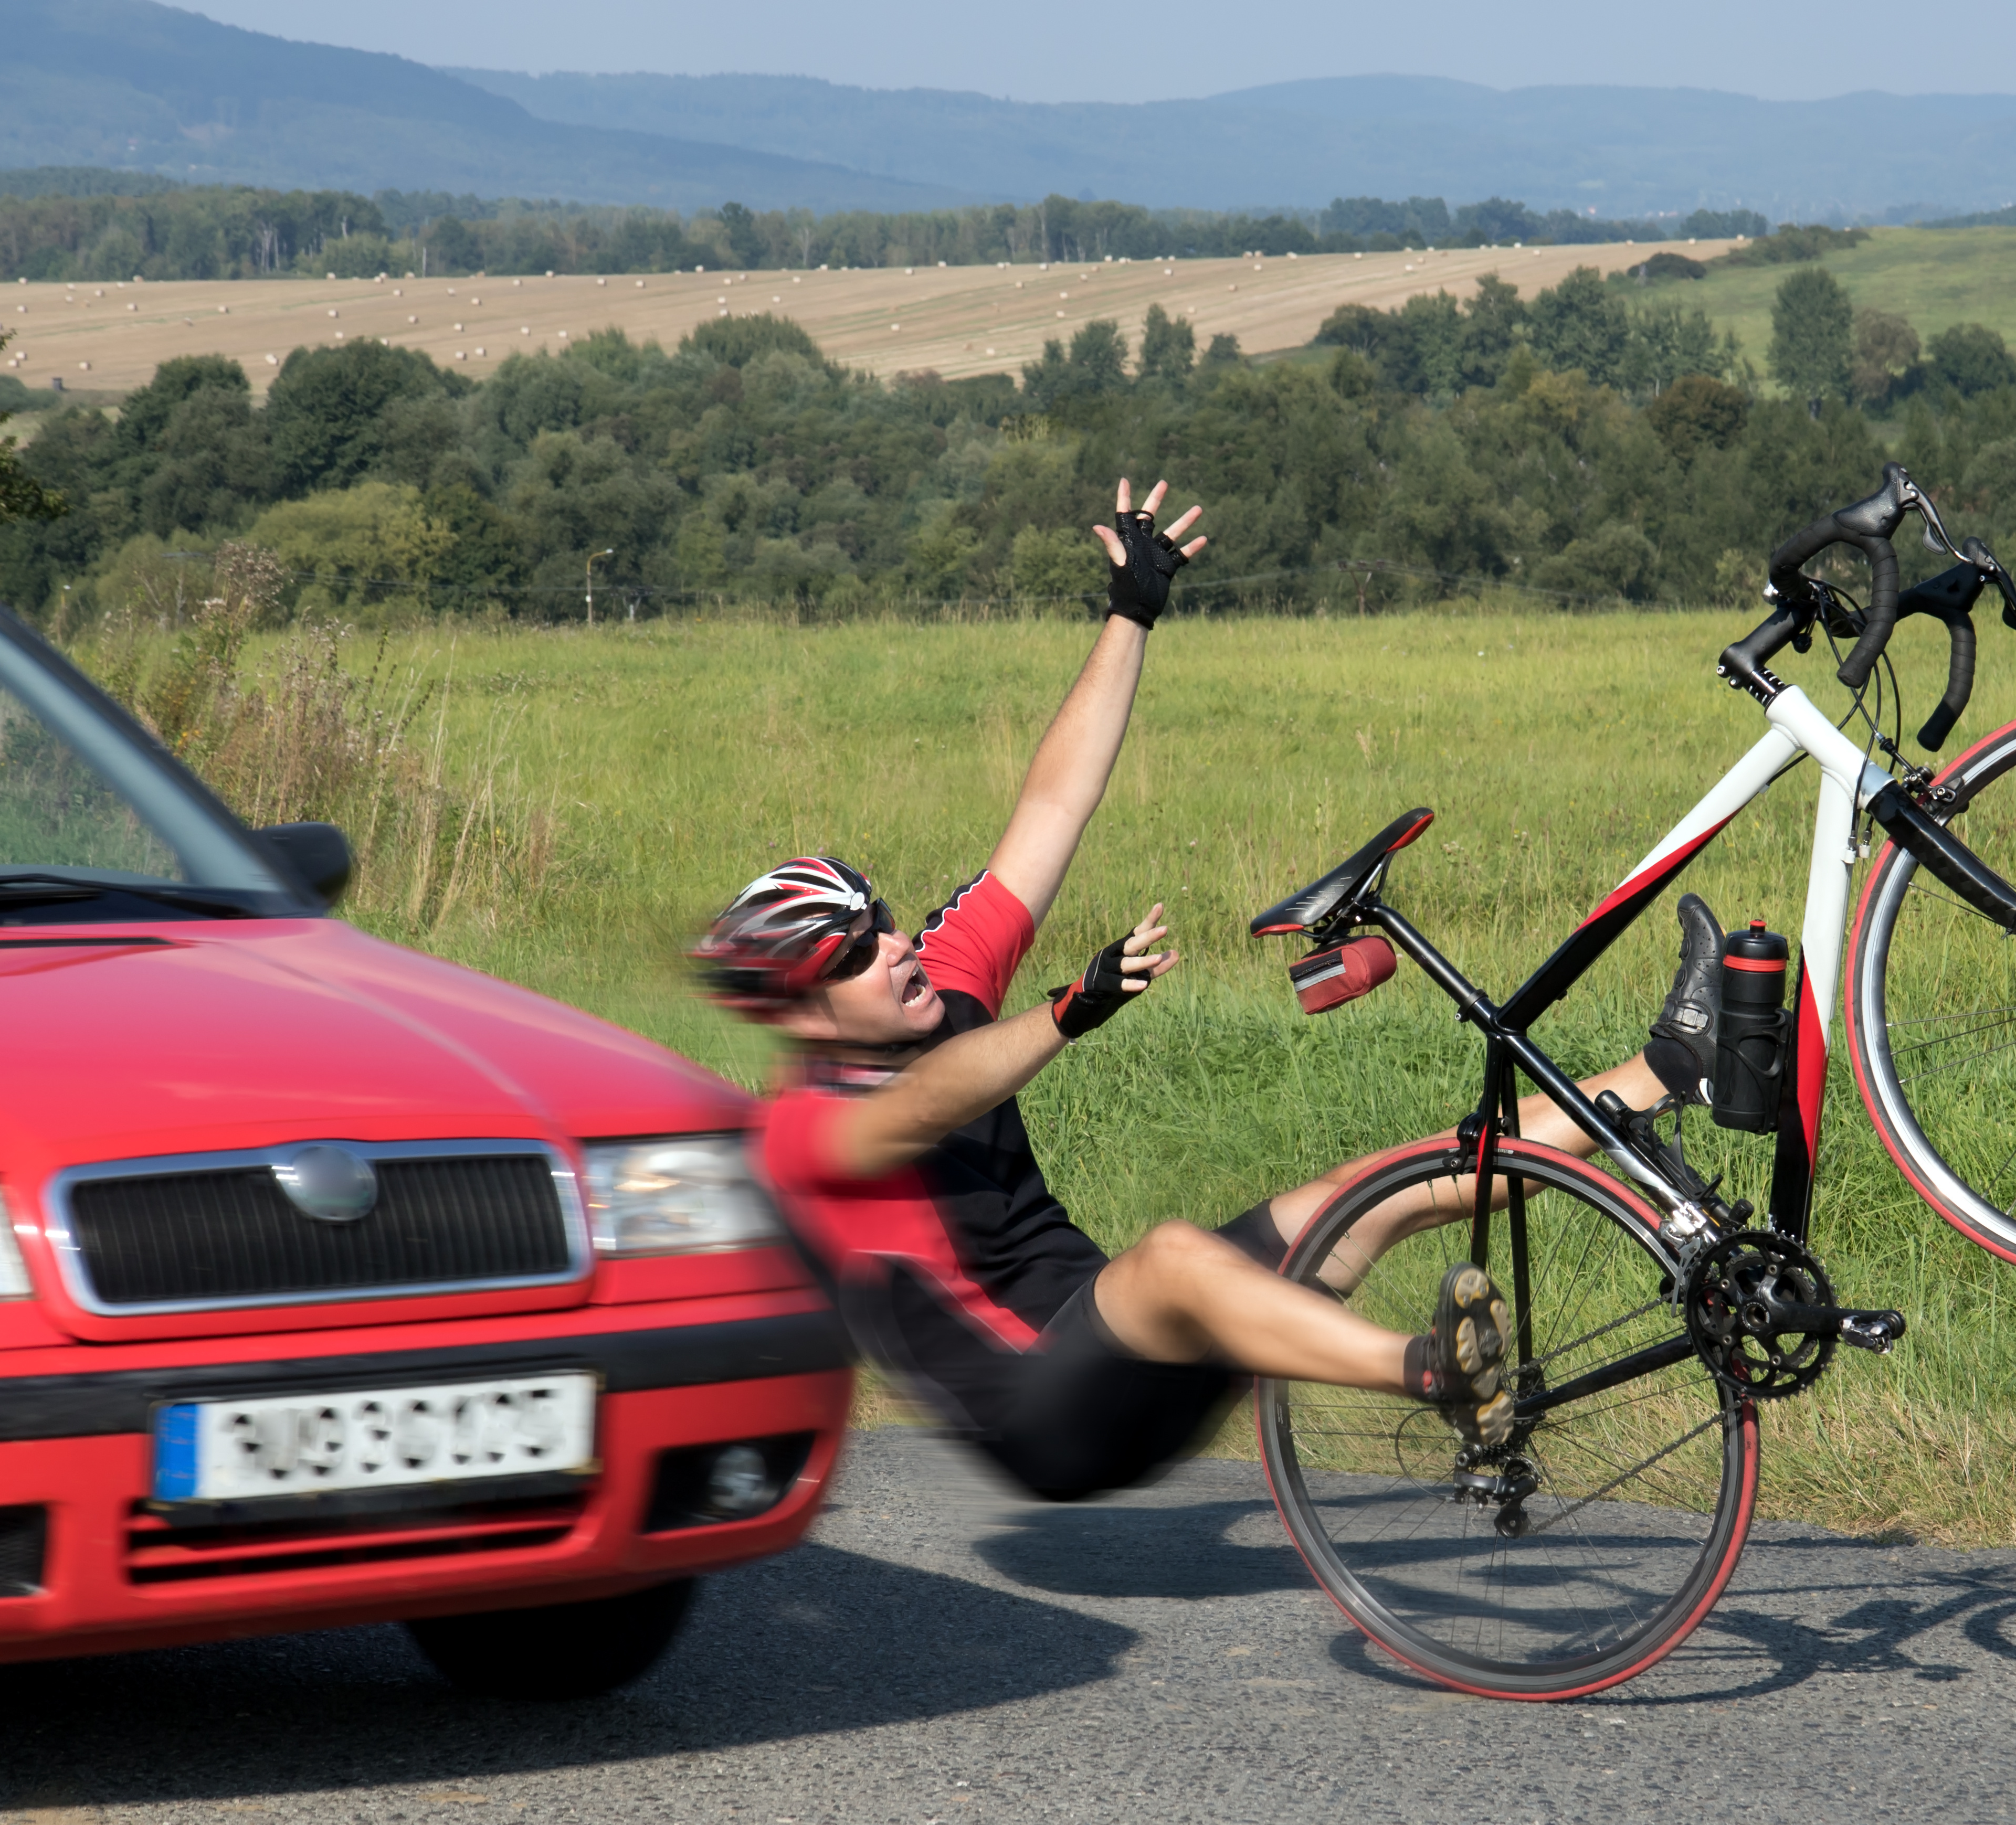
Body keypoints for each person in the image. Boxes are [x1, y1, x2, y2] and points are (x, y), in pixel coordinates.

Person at [698, 481, 1683, 1503]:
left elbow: (1053, 802)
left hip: (1132, 1345)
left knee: (1372, 1193)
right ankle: (1432, 1372)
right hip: (1043, 1416)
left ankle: (1673, 1072)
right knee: (1171, 1256)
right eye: (855, 955)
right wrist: (1067, 1013)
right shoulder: (803, 1131)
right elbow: (923, 1104)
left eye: (886, 919)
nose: (898, 949)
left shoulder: (938, 980)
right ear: (802, 1014)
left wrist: (1131, 614)